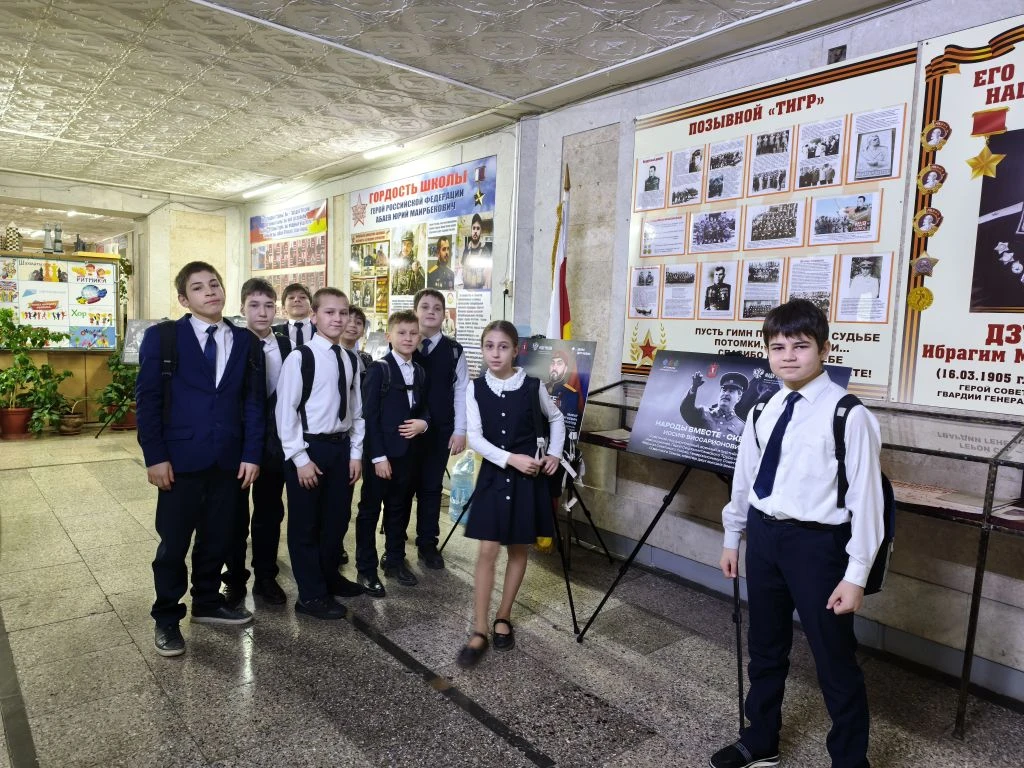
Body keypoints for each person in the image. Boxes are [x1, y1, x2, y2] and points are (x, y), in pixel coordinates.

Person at [710, 298, 883, 768]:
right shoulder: (764, 406)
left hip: (818, 547)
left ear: (824, 349)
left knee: (834, 658)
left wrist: (856, 575)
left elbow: (867, 501)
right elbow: (745, 477)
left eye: (800, 346)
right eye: (777, 347)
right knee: (765, 647)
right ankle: (760, 738)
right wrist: (733, 536)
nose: (787, 356)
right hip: (765, 538)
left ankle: (850, 761)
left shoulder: (848, 414)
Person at [136, 261, 265, 657]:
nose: (210, 291)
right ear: (183, 299)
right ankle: (167, 617)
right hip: (180, 459)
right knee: (174, 543)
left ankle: (207, 601)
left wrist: (251, 453)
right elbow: (148, 400)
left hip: (229, 459)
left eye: (214, 284)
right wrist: (155, 457)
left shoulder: (245, 341)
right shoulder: (164, 337)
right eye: (198, 287)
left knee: (218, 536)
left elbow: (253, 402)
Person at [455, 321, 565, 668]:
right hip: (494, 476)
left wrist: (554, 454)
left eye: (503, 347)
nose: (495, 353)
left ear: (515, 350)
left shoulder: (532, 385)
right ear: (482, 350)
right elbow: (475, 438)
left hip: (526, 480)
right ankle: (479, 629)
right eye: (489, 346)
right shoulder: (475, 388)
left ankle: (503, 616)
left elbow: (557, 419)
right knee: (487, 551)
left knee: (518, 548)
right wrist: (510, 459)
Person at [275, 287, 365, 620]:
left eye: (343, 312)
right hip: (309, 448)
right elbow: (286, 412)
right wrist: (300, 459)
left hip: (340, 448)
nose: (338, 319)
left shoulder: (350, 358)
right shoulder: (301, 357)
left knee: (336, 520)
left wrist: (356, 453)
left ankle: (328, 577)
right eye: (329, 312)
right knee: (305, 524)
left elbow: (356, 411)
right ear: (314, 316)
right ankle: (310, 595)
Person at [222, 279, 292, 609]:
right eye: (254, 305)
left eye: (268, 306)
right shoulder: (232, 343)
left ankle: (266, 576)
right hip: (238, 443)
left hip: (275, 444)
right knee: (234, 515)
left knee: (269, 512)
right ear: (242, 308)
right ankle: (234, 578)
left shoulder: (287, 345)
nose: (262, 312)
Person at [355, 310, 430, 596]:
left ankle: (395, 560)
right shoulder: (380, 370)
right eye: (402, 333)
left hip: (408, 454)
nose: (408, 338)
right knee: (370, 510)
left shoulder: (419, 371)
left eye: (413, 333)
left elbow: (423, 408)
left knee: (399, 508)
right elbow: (369, 416)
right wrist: (377, 457)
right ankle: (366, 568)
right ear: (389, 336)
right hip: (381, 455)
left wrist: (424, 423)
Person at [410, 289, 468, 571]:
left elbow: (462, 391)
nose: (431, 311)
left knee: (431, 488)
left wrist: (460, 430)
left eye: (437, 307)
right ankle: (394, 546)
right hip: (407, 430)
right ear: (415, 311)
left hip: (441, 430)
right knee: (402, 488)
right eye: (425, 306)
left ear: (445, 314)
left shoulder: (454, 350)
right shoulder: (405, 343)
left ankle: (427, 543)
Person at [679, 370, 746, 439]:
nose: (726, 394)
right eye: (724, 390)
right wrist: (693, 388)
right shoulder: (703, 412)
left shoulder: (742, 427)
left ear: (738, 398)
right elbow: (686, 411)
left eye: (731, 391)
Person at [546, 348, 580, 436]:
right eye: (552, 363)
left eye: (559, 363)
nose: (554, 367)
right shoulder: (539, 387)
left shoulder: (571, 394)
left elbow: (570, 424)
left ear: (565, 369)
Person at [273, 283, 315, 347]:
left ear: (311, 305)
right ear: (283, 307)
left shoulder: (321, 331)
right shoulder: (274, 332)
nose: (297, 300)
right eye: (291, 297)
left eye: (302, 297)